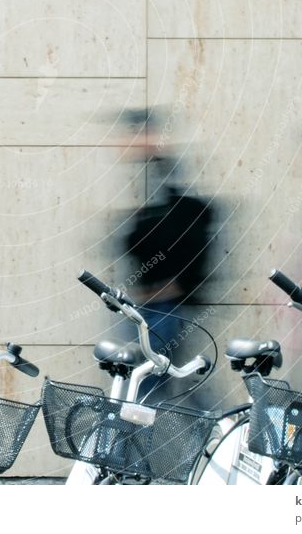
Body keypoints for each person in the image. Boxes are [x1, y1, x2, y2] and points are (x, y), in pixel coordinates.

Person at [116, 108, 216, 402]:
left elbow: (170, 240)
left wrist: (170, 288)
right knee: (166, 382)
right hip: (150, 304)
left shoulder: (161, 177)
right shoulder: (150, 180)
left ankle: (149, 441)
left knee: (152, 385)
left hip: (161, 306)